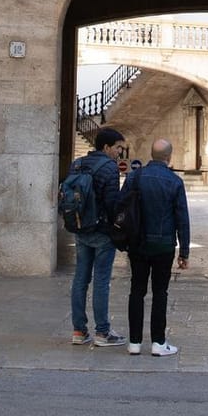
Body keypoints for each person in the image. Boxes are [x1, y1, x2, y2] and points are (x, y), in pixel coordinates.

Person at [124, 138, 190, 356]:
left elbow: (121, 206)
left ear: (151, 155)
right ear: (169, 157)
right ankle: (158, 343)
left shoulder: (134, 177)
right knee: (160, 292)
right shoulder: (174, 181)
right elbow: (182, 218)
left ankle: (134, 342)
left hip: (138, 243)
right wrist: (184, 251)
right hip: (163, 244)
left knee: (137, 290)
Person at [66, 127, 129, 347]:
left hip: (81, 229)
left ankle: (78, 330)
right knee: (101, 281)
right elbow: (112, 202)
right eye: (118, 148)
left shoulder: (78, 163)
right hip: (102, 231)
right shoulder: (109, 167)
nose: (120, 153)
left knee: (80, 279)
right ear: (107, 147)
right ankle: (103, 332)